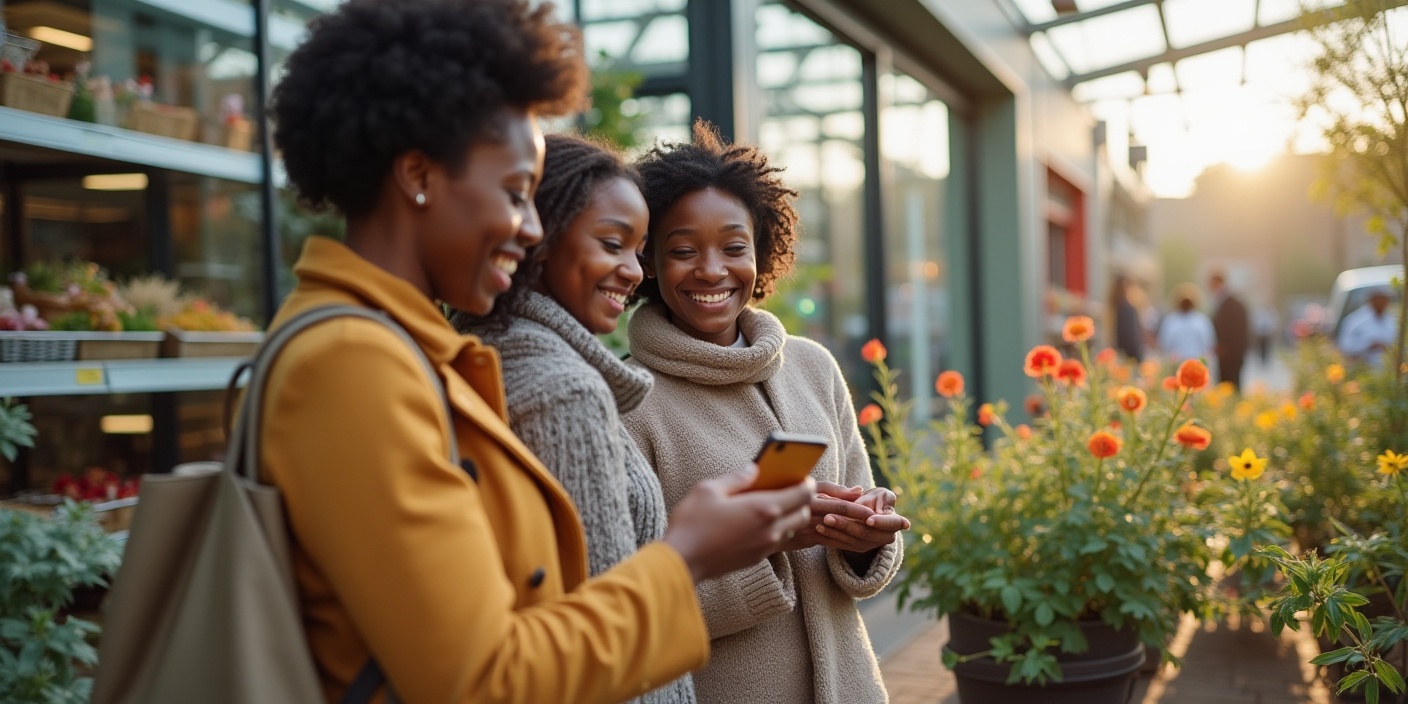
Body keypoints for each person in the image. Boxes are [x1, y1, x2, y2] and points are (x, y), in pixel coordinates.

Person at [262, 3, 815, 701]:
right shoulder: (355, 366)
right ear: (418, 175)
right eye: (516, 193)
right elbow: (481, 678)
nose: (531, 229)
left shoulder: (418, 355)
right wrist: (687, 556)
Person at [623, 121, 909, 704]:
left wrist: (863, 538)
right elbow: (623, 605)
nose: (712, 270)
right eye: (682, 250)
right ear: (648, 260)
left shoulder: (812, 367)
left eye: (734, 246)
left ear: (761, 252)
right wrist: (768, 546)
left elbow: (861, 528)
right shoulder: (629, 399)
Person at [450, 134, 693, 703]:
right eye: (613, 243)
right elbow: (607, 630)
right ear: (540, 235)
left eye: (639, 250)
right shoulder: (563, 392)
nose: (634, 271)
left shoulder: (478, 349)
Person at [1209, 270, 1249, 390]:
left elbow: (1236, 330)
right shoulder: (1225, 302)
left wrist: (1224, 346)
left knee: (1231, 385)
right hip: (1228, 353)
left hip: (1231, 354)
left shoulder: (1231, 304)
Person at [1157, 283, 1216, 364]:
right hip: (1177, 365)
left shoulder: (1202, 321)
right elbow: (1164, 346)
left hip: (1197, 364)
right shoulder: (1170, 320)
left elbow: (1209, 347)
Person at [1338, 287, 1398, 366]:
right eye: (1381, 299)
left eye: (1386, 299)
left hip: (1387, 371)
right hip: (1363, 370)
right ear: (1372, 299)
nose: (1385, 303)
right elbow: (1345, 346)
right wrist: (1368, 345)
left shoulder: (1392, 321)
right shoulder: (1355, 321)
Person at [1110, 273, 1144, 361]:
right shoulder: (1127, 309)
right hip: (1130, 355)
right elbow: (1131, 336)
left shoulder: (1115, 306)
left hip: (1119, 352)